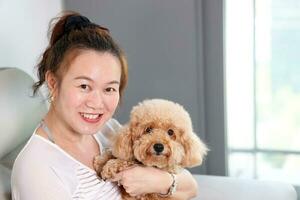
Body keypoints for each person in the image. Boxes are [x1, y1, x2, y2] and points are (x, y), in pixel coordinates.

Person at [11, 11, 198, 200]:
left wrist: (156, 181)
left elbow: (190, 186)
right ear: (53, 82)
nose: (97, 103)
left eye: (109, 89)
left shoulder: (107, 130)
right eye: (84, 86)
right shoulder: (37, 170)